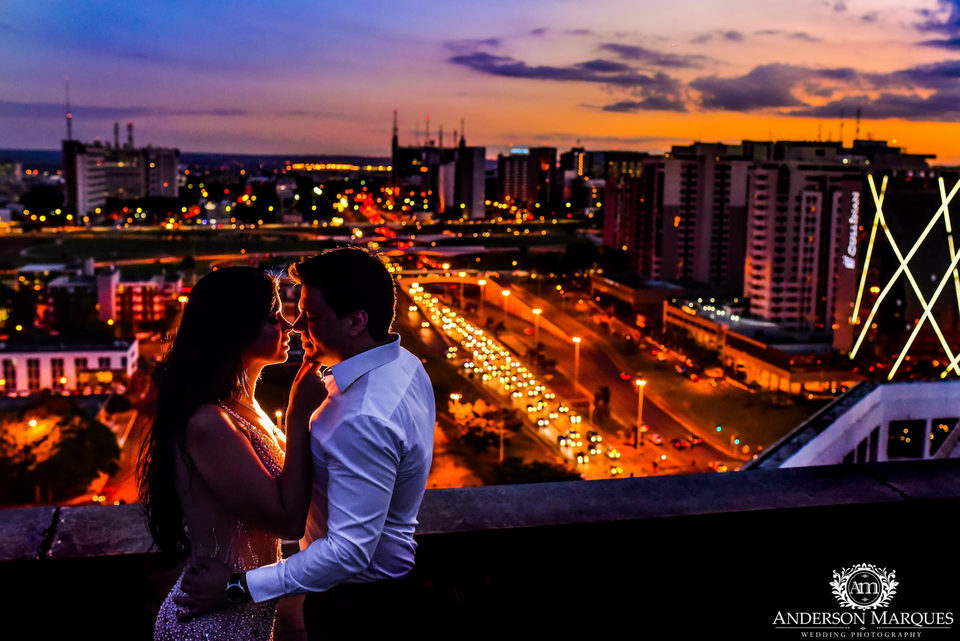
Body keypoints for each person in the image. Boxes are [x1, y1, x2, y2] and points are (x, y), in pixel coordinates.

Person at [177, 247, 436, 640]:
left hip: (355, 607)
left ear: (355, 322)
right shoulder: (404, 365)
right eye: (281, 314)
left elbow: (348, 551)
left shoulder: (360, 415)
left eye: (309, 316)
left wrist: (237, 587)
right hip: (312, 600)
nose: (295, 325)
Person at [139, 266, 325, 641]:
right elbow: (288, 521)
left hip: (243, 609)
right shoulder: (208, 422)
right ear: (236, 329)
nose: (289, 327)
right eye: (274, 317)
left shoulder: (246, 409)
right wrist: (298, 414)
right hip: (210, 622)